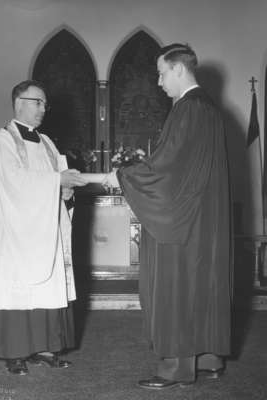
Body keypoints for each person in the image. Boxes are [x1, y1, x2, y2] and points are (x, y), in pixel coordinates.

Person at [104, 43, 232, 389]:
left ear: (178, 69)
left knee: (177, 287)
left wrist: (121, 175)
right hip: (205, 220)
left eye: (161, 73)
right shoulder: (209, 108)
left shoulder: (188, 109)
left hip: (181, 219)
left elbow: (167, 166)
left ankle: (176, 368)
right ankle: (208, 359)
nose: (159, 82)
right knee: (202, 285)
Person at [0, 80, 87, 375]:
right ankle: (15, 353)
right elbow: (12, 182)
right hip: (16, 231)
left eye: (44, 104)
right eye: (37, 102)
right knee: (19, 287)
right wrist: (57, 182)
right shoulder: (2, 141)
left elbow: (57, 176)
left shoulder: (47, 142)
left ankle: (45, 348)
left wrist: (66, 189)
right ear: (18, 103)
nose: (43, 108)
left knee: (48, 285)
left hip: (45, 229)